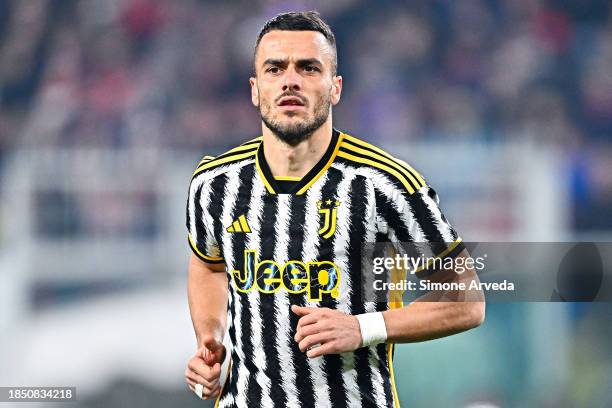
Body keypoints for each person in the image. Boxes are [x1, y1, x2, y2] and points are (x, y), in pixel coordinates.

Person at [184, 11, 485, 408]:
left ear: (335, 87)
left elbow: (466, 300)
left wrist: (363, 328)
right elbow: (208, 264)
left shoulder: (384, 185)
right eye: (275, 68)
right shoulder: (214, 184)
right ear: (256, 89)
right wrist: (210, 339)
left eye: (308, 68)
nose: (290, 80)